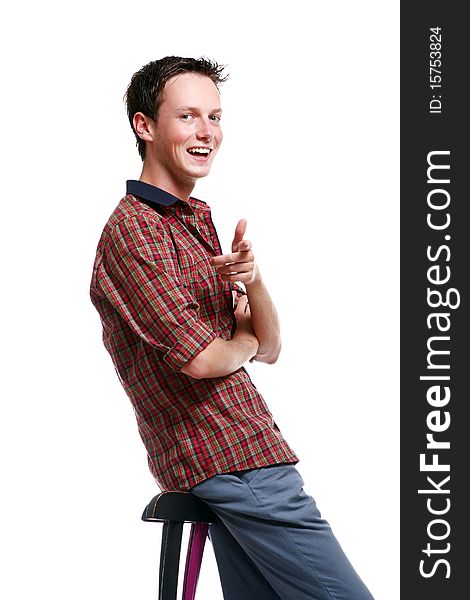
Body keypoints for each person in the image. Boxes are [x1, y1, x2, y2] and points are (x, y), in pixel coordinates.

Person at [90, 56, 374, 600]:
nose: (206, 132)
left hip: (244, 454)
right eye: (188, 116)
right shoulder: (134, 231)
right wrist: (239, 340)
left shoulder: (194, 220)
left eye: (215, 117)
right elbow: (203, 360)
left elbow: (268, 348)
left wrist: (255, 280)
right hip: (226, 457)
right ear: (144, 126)